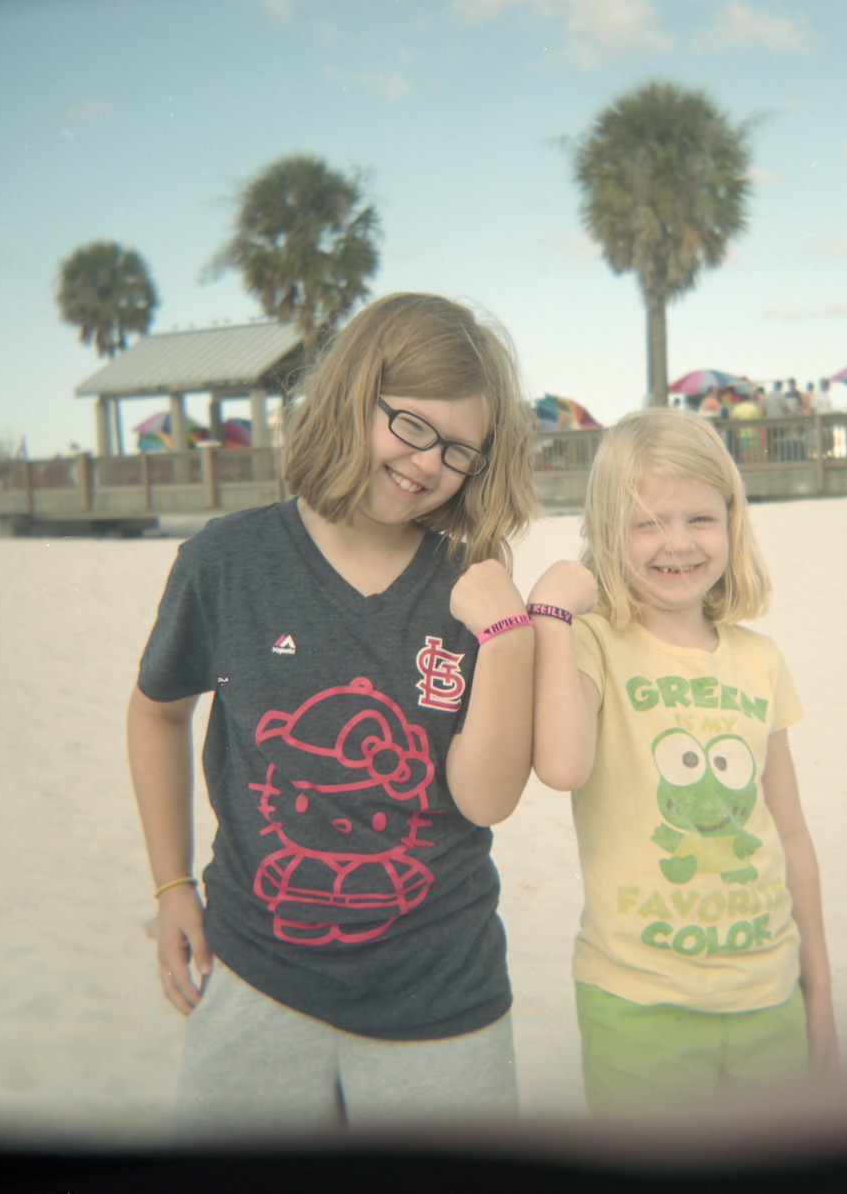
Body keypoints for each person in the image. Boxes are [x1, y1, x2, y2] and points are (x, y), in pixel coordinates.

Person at [128, 293, 540, 1140]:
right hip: (254, 978)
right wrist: (171, 884)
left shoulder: (469, 586)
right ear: (357, 393)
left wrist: (508, 638)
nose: (429, 464)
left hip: (445, 998)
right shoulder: (225, 561)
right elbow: (156, 714)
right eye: (413, 426)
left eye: (461, 449)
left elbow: (487, 798)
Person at [526, 409, 837, 1113]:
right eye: (648, 523)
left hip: (769, 993)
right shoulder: (594, 644)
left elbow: (790, 832)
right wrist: (551, 617)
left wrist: (819, 989)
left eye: (700, 518)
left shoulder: (759, 659)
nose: (677, 543)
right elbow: (563, 765)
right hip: (638, 1001)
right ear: (609, 531)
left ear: (732, 520)